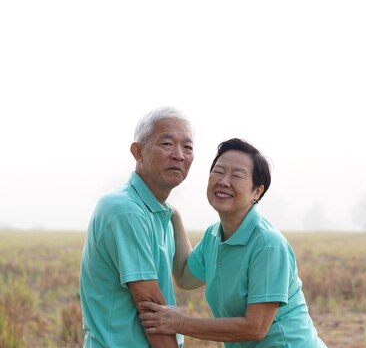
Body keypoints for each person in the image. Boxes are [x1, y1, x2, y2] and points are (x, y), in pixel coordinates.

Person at [138, 138, 327, 347]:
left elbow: (255, 328)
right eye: (218, 172)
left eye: (237, 175)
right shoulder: (213, 236)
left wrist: (179, 323)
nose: (224, 181)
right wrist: (173, 215)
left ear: (257, 192)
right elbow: (184, 277)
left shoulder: (268, 244)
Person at [79, 106, 194, 348]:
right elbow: (152, 312)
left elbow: (187, 276)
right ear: (138, 151)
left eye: (188, 147)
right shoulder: (125, 209)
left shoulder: (158, 212)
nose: (179, 155)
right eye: (167, 144)